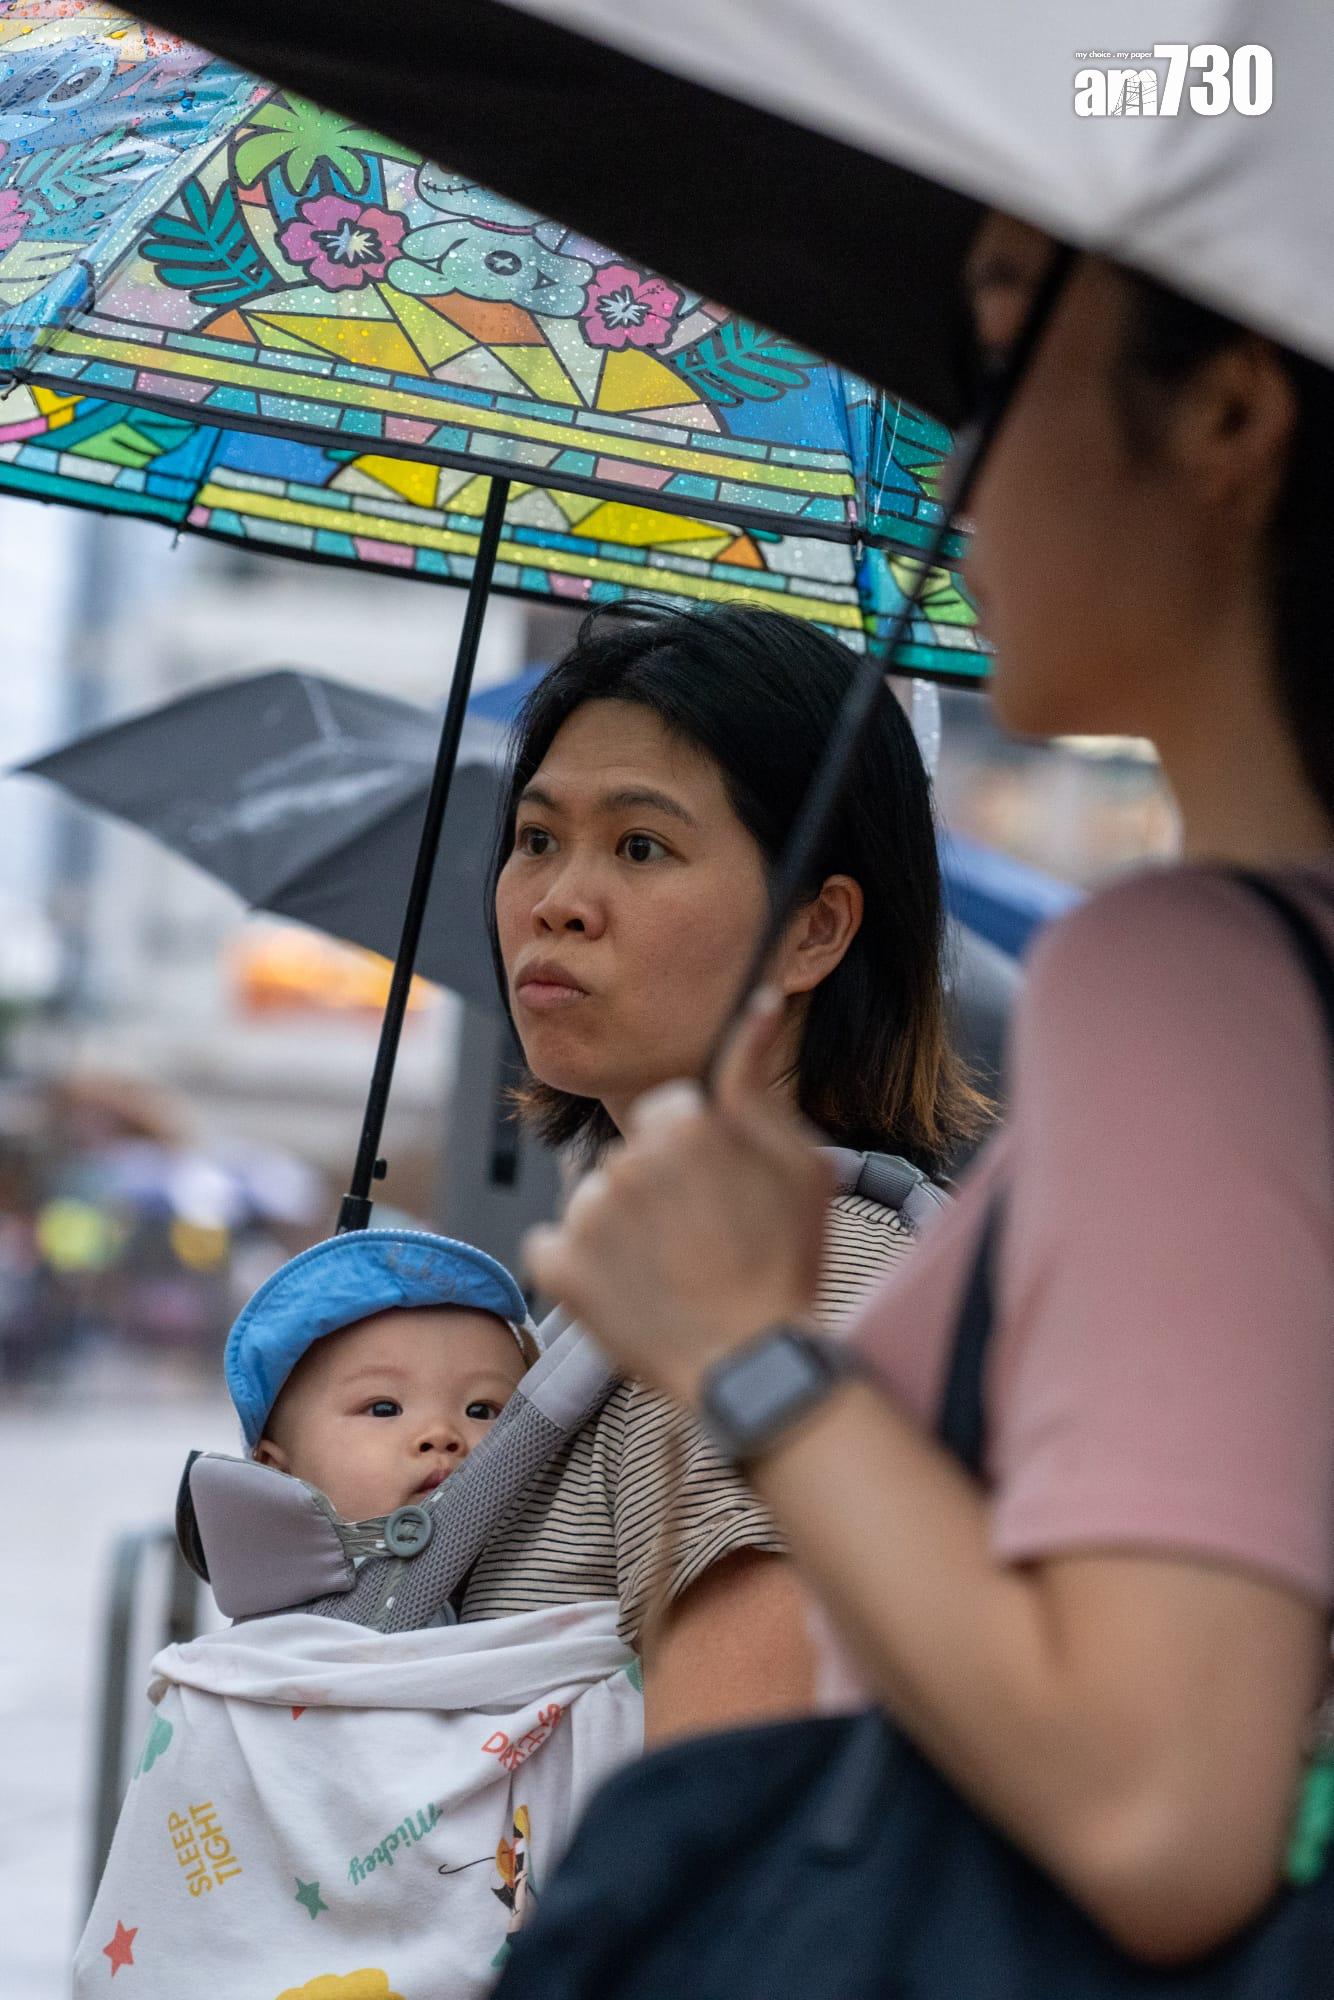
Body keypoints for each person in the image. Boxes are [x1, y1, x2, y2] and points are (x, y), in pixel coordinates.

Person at [521, 215, 1334, 1969]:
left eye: (996, 358)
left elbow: (1153, 1809)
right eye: (534, 840)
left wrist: (747, 1356)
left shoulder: (1195, 977)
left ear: (1222, 420)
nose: (949, 460)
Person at [457, 603, 986, 1744]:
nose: (556, 899)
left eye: (639, 846)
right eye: (538, 837)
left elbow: (717, 1820)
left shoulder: (794, 1285)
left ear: (814, 930)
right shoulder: (672, 1266)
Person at [75, 1231, 642, 1999]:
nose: (441, 1434)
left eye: (485, 1409)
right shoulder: (239, 1685)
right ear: (275, 1470)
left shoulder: (545, 1620)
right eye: (383, 1406)